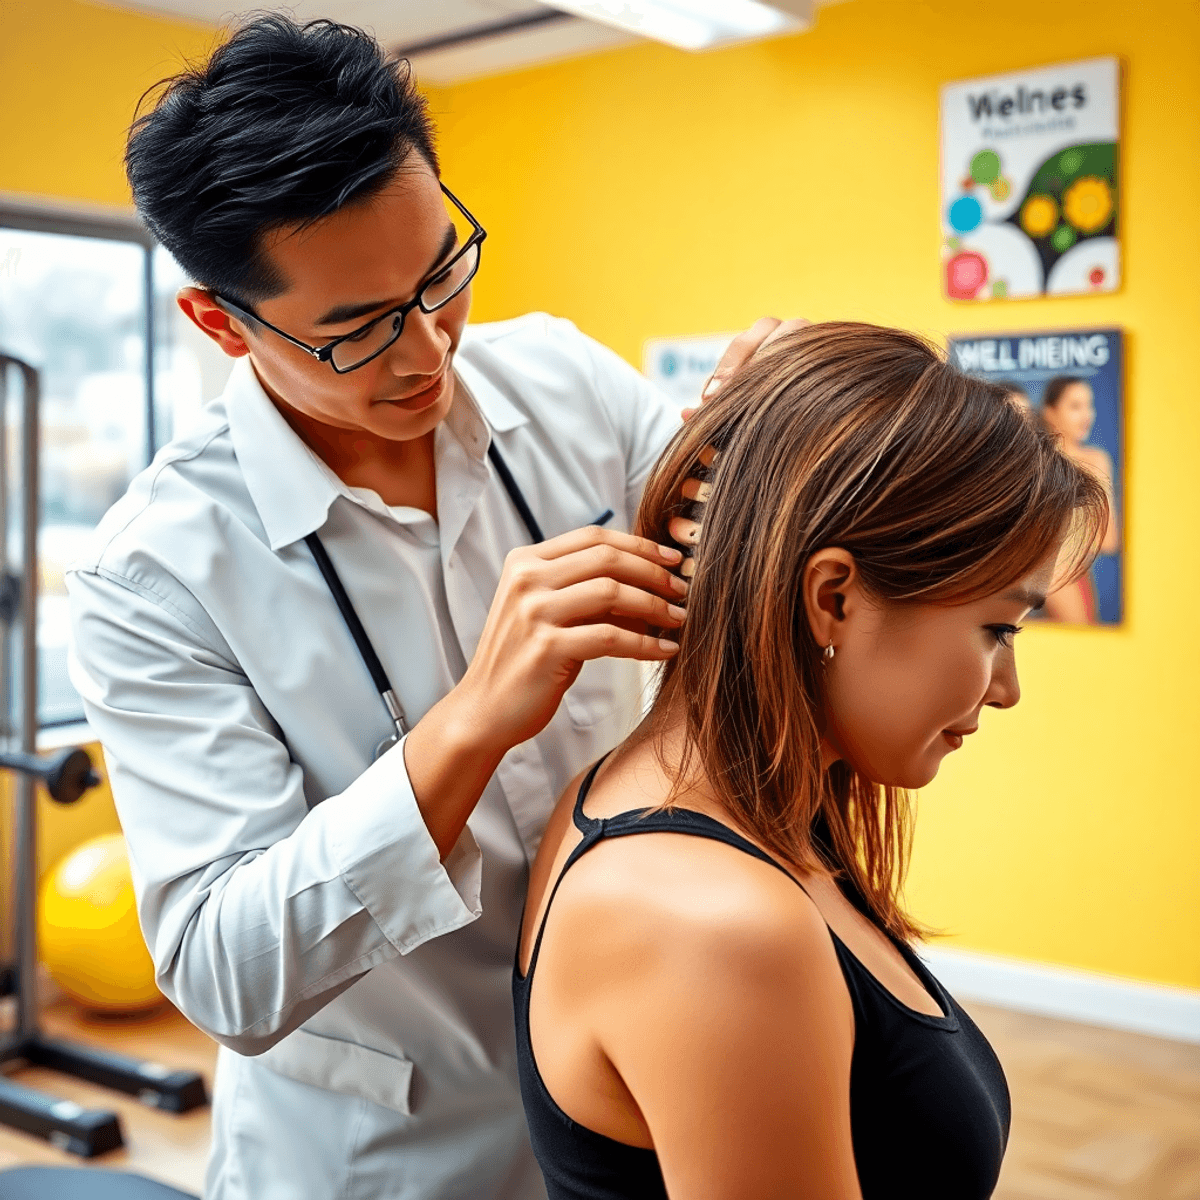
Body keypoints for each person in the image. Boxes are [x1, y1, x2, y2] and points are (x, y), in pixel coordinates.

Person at [65, 15, 798, 1199]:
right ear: (220, 322)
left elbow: (741, 557)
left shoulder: (563, 380)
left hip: (642, 1103)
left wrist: (778, 434)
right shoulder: (153, 578)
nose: (428, 354)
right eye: (355, 328)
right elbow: (222, 974)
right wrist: (471, 722)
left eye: (441, 274)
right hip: (388, 1157)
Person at [516, 323, 1108, 1200]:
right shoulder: (712, 924)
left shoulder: (674, 805)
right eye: (998, 630)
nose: (1006, 688)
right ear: (832, 598)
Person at [1039, 374, 1120, 624]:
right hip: (1053, 572)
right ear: (1050, 413)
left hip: (1072, 575)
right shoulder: (1036, 461)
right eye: (1075, 406)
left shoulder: (1095, 460)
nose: (1087, 415)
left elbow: (1109, 540)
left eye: (1089, 405)